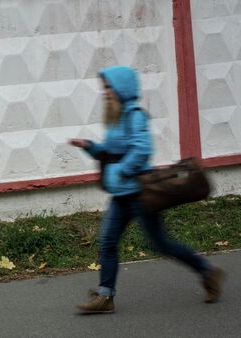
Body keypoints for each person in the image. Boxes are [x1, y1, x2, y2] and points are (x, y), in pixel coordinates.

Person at [69, 65, 224, 314]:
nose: (105, 92)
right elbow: (109, 151)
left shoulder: (134, 115)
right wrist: (89, 146)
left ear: (122, 88)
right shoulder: (115, 117)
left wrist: (124, 170)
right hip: (120, 195)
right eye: (104, 87)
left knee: (161, 244)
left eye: (108, 87)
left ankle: (207, 270)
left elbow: (143, 149)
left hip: (140, 194)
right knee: (107, 241)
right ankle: (105, 297)